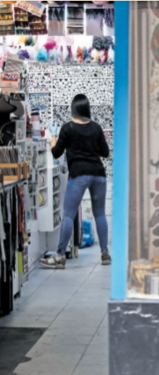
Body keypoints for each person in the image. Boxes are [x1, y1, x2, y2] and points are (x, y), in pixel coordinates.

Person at [40, 94, 111, 269]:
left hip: (79, 175)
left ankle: (59, 256)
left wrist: (53, 136)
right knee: (100, 214)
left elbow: (56, 153)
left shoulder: (68, 128)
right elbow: (105, 152)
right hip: (98, 174)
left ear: (73, 110)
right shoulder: (96, 127)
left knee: (68, 215)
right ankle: (105, 253)